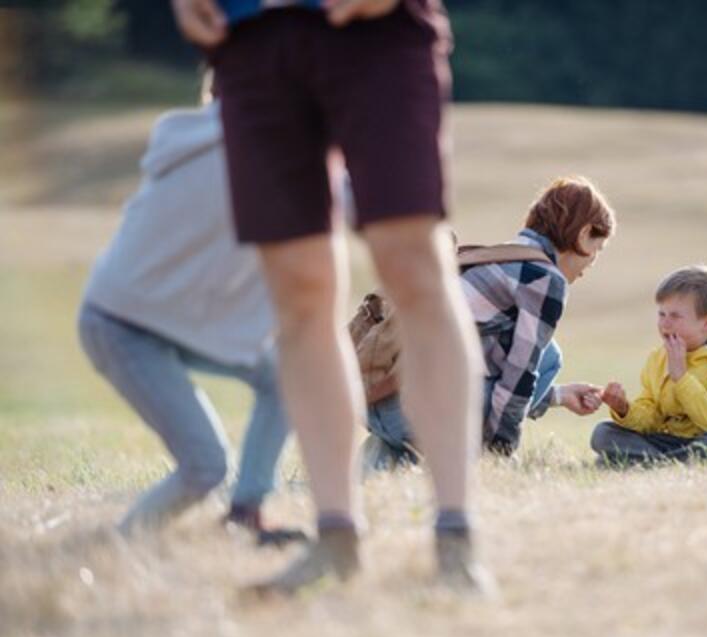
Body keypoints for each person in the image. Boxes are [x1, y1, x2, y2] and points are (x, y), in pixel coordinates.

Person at [170, 0, 488, 593]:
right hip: (251, 35)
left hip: (376, 29)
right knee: (298, 294)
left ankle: (456, 539)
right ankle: (335, 539)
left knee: (412, 264)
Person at [78, 100, 303, 546]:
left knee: (286, 378)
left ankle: (246, 512)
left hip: (180, 319)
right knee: (204, 467)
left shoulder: (229, 136)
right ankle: (119, 546)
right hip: (122, 325)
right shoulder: (248, 152)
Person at [364, 176, 615, 467]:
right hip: (416, 412)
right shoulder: (545, 279)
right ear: (584, 234)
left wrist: (557, 396)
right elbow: (518, 377)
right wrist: (501, 453)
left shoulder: (496, 258)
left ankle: (375, 466)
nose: (593, 262)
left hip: (379, 400)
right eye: (598, 248)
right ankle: (466, 461)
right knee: (548, 358)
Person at [592, 265, 707, 465]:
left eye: (675, 316)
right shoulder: (657, 359)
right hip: (667, 442)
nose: (665, 324)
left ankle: (643, 462)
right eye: (662, 314)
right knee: (603, 433)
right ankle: (667, 462)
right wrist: (625, 410)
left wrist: (682, 378)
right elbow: (651, 420)